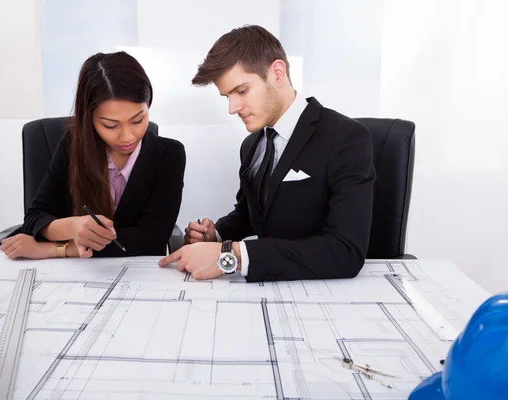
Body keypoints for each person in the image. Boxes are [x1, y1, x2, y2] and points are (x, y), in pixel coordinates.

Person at [159, 25, 375, 282]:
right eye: (227, 95)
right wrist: (216, 235)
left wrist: (233, 255)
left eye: (241, 91)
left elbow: (345, 252)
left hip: (326, 293)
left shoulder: (346, 138)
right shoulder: (252, 145)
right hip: (266, 292)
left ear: (277, 72)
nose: (232, 107)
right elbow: (251, 213)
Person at [0, 51, 186, 259]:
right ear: (89, 118)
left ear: (148, 105)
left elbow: (150, 240)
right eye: (110, 125)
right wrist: (72, 226)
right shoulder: (73, 145)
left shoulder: (169, 155)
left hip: (140, 276)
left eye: (137, 120)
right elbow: (35, 218)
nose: (127, 136)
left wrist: (56, 249)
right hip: (74, 277)